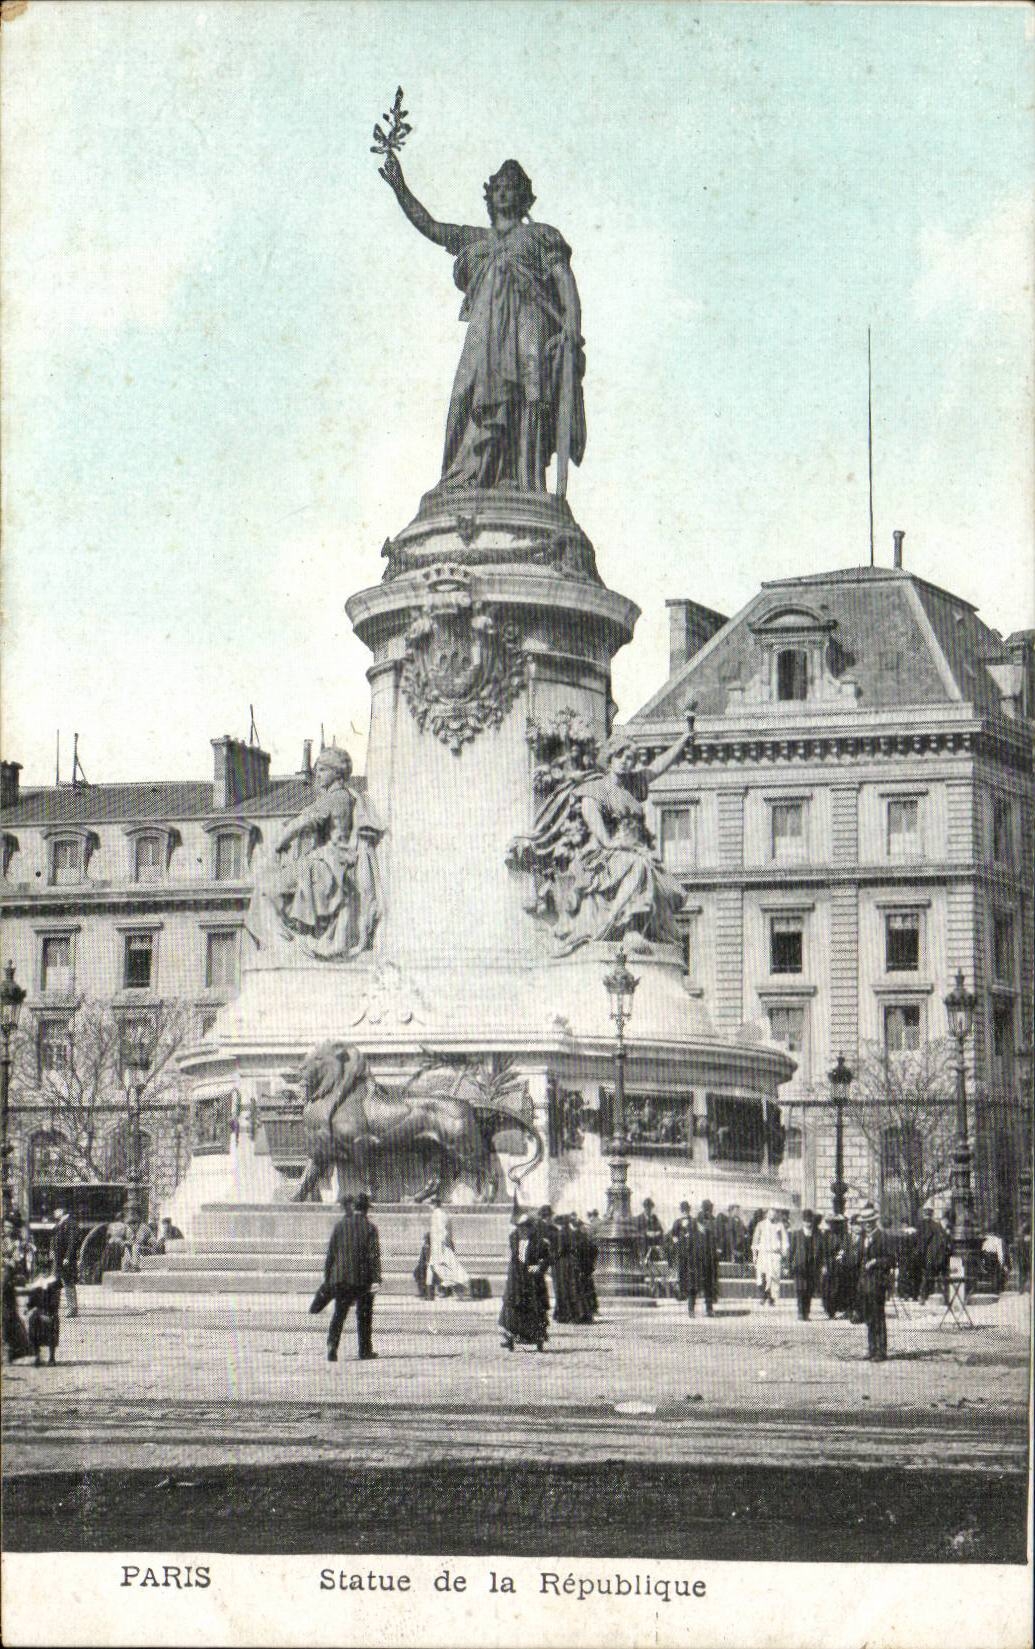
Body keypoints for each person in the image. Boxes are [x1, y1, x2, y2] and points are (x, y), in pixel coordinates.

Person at [379, 152, 585, 495]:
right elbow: (433, 228)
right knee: (465, 393)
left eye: (512, 188)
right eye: (499, 188)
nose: (504, 193)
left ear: (524, 198)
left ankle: (525, 481)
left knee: (530, 392)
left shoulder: (542, 235)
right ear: (490, 196)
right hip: (484, 331)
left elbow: (564, 281)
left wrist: (572, 331)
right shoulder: (476, 239)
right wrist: (401, 189)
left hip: (529, 319)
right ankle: (464, 477)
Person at [248, 745, 384, 961]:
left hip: (326, 864)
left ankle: (285, 945)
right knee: (269, 890)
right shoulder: (345, 796)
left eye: (321, 769)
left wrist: (277, 845)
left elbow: (302, 822)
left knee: (267, 890)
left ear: (336, 772)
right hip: (328, 861)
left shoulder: (336, 797)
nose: (316, 774)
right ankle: (287, 942)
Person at [323, 1191, 381, 1363]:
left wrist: (328, 1278)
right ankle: (365, 1350)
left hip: (340, 1277)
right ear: (366, 1210)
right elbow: (374, 1255)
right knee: (364, 1315)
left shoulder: (340, 1226)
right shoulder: (370, 1228)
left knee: (339, 1314)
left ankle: (332, 1346)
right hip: (362, 1278)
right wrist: (377, 1278)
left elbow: (331, 1254)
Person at [499, 1214, 551, 1351]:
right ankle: (510, 1335)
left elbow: (548, 1258)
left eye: (525, 1228)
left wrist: (539, 1266)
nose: (522, 1231)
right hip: (516, 1278)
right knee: (512, 1306)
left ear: (530, 1228)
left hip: (532, 1280)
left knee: (533, 1308)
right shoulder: (513, 1238)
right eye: (520, 1228)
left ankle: (536, 1337)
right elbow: (513, 1256)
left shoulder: (539, 1242)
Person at [855, 1203, 896, 1362]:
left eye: (870, 1220)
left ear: (875, 1221)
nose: (867, 1223)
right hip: (865, 1283)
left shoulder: (883, 1237)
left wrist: (875, 1262)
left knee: (878, 1316)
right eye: (865, 1221)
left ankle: (881, 1350)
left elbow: (891, 1259)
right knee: (869, 1316)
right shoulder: (863, 1239)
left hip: (878, 1282)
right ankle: (872, 1348)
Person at [551, 1214, 594, 1323]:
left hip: (563, 1264)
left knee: (564, 1289)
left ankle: (567, 1315)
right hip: (572, 1263)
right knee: (575, 1288)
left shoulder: (561, 1233)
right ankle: (581, 1314)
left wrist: (551, 1257)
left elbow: (560, 1250)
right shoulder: (572, 1233)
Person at [427, 1197, 469, 1299]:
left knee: (437, 1266)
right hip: (440, 1244)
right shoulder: (443, 1214)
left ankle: (455, 1284)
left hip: (439, 1245)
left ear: (433, 1204)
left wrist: (443, 1243)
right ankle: (432, 1293)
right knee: (433, 1267)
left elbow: (442, 1232)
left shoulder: (437, 1215)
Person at [788, 1209, 823, 1321]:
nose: (808, 1223)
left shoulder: (818, 1234)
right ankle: (800, 1312)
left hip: (812, 1267)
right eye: (806, 1221)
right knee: (800, 1290)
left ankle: (806, 1313)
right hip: (799, 1266)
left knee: (809, 1290)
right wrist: (789, 1265)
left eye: (810, 1221)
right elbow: (791, 1251)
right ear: (803, 1222)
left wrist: (821, 1265)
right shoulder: (796, 1234)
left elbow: (821, 1251)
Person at [751, 1207, 788, 1306]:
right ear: (767, 1214)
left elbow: (784, 1240)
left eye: (774, 1213)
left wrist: (784, 1253)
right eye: (770, 1213)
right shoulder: (761, 1225)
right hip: (763, 1253)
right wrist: (754, 1255)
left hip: (775, 1254)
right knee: (762, 1276)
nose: (772, 1215)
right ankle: (763, 1296)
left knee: (774, 1277)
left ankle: (772, 1298)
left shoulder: (779, 1226)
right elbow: (755, 1240)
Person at [50, 1205, 78, 1320]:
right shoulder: (59, 1223)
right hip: (58, 1258)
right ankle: (53, 1307)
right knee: (55, 1282)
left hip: (65, 1259)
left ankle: (72, 1308)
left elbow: (72, 1242)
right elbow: (54, 1239)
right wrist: (51, 1250)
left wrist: (68, 1257)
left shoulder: (71, 1224)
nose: (54, 1212)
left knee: (68, 1282)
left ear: (62, 1210)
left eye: (56, 1210)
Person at [919, 1210, 952, 1306]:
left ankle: (923, 1297)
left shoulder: (927, 1225)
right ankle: (947, 1298)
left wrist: (921, 1251)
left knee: (928, 1276)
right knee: (944, 1277)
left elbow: (925, 1239)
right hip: (942, 1255)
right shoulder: (939, 1226)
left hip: (932, 1255)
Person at [635, 1198, 665, 1266]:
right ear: (644, 1207)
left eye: (650, 1207)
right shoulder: (639, 1219)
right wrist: (646, 1233)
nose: (648, 1209)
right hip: (643, 1242)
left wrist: (657, 1232)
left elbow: (660, 1230)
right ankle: (643, 1260)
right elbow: (636, 1232)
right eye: (647, 1207)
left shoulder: (654, 1218)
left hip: (654, 1241)